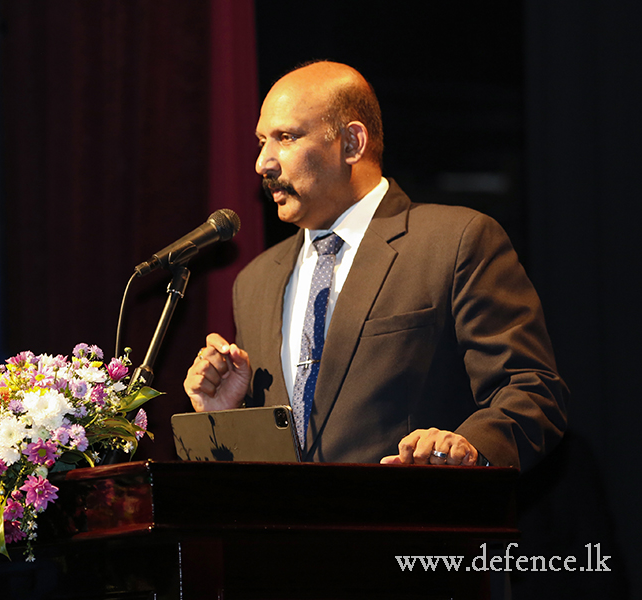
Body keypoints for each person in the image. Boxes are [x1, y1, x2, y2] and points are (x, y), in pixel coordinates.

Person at [183, 61, 567, 470]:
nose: (264, 163)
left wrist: (465, 449)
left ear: (352, 142)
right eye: (262, 141)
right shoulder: (255, 281)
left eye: (286, 137)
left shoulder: (455, 241)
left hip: (411, 526)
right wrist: (221, 417)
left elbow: (531, 389)